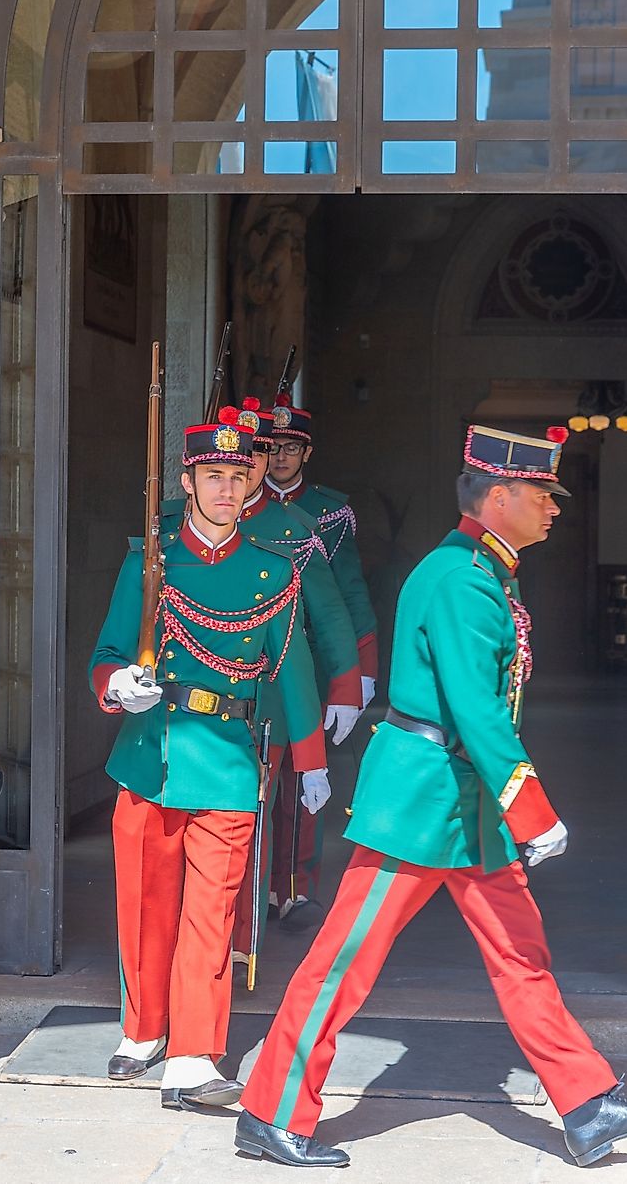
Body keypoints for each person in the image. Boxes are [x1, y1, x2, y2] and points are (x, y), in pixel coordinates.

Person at [235, 425, 627, 1169]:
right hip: (421, 800)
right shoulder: (460, 579)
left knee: (522, 955)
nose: (553, 509)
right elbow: (474, 708)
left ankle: (584, 1104)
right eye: (543, 495)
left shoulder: (483, 571)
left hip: (461, 801)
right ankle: (272, 1110)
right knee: (342, 960)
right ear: (500, 494)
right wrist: (532, 809)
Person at [89, 407, 328, 1111]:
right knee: (145, 905)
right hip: (151, 752)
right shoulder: (151, 559)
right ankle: (143, 1029)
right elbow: (106, 652)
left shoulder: (271, 569)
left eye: (238, 474)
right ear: (187, 480)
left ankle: (193, 1055)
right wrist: (115, 686)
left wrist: (309, 760)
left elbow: (291, 670)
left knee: (210, 916)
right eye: (213, 474)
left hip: (226, 757)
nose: (227, 488)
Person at [264, 396, 378, 931]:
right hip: (255, 658)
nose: (281, 456)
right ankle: (259, 889)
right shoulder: (238, 503)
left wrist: (358, 673)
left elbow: (347, 598)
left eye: (291, 447)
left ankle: (299, 887)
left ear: (306, 453)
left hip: (308, 659)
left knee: (305, 780)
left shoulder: (329, 513)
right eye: (273, 446)